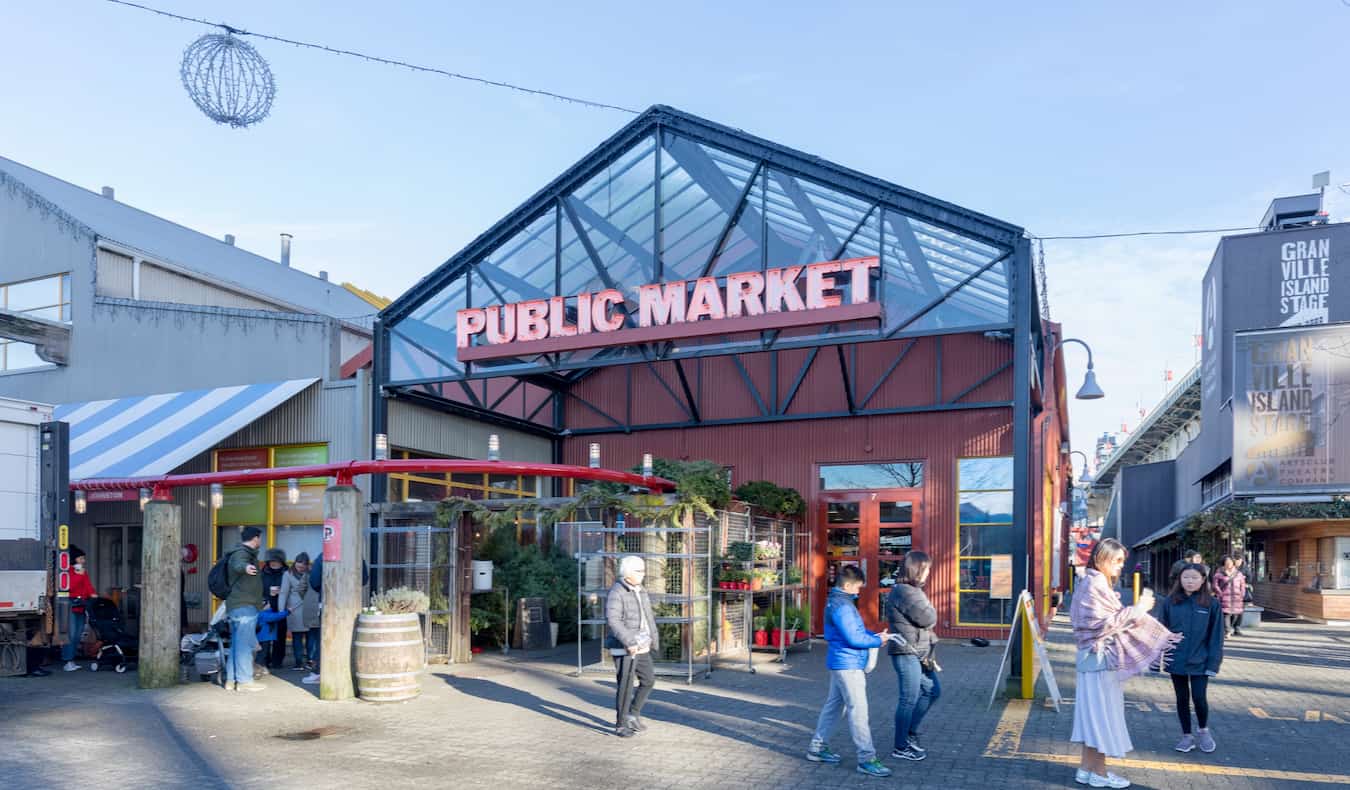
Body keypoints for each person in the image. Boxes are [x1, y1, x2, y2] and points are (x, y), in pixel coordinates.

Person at [1070, 538, 1181, 789]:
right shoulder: (1095, 584)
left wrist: (1136, 610)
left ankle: (1086, 769)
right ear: (1102, 559)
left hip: (1093, 659)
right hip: (1101, 661)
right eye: (1117, 561)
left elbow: (1099, 623)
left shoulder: (1089, 582)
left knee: (1093, 717)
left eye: (1122, 561)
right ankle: (1099, 773)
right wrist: (1139, 608)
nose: (1121, 566)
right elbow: (1104, 624)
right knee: (1102, 717)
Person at [807, 563, 892, 778]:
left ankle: (817, 748)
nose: (858, 591)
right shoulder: (843, 606)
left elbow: (854, 631)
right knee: (859, 711)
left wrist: (873, 637)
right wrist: (876, 640)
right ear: (846, 585)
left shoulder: (837, 602)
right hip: (849, 665)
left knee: (834, 707)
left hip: (840, 662)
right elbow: (854, 637)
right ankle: (866, 758)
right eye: (857, 588)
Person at [1157, 562, 1223, 754]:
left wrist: (1213, 663)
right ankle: (1186, 736)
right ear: (1179, 579)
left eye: (1194, 578)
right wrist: (1156, 659)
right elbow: (1159, 631)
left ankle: (1203, 730)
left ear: (1203, 580)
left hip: (1201, 661)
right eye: (1186, 577)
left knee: (1199, 697)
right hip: (1176, 659)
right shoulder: (1170, 602)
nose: (1190, 581)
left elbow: (1216, 637)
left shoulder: (1212, 604)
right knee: (1181, 698)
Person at [884, 551, 940, 763]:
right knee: (908, 698)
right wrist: (931, 610)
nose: (928, 573)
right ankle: (900, 746)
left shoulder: (912, 590)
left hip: (919, 651)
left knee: (932, 690)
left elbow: (927, 618)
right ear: (916, 569)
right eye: (926, 569)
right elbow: (928, 618)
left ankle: (909, 733)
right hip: (907, 650)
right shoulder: (905, 591)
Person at [605, 555, 658, 738]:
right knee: (626, 686)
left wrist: (653, 638)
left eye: (643, 570)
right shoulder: (617, 591)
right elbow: (613, 619)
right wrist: (629, 641)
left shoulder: (640, 590)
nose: (643, 574)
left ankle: (633, 714)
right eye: (639, 571)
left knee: (648, 680)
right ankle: (620, 724)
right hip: (626, 647)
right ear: (627, 573)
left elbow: (647, 616)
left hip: (642, 646)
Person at [224, 527, 266, 692]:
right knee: (244, 645)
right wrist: (246, 568)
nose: (260, 542)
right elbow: (238, 564)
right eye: (260, 539)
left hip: (237, 606)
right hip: (244, 606)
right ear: (255, 539)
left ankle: (230, 680)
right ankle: (244, 681)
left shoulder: (240, 552)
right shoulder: (242, 553)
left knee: (237, 644)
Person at [62, 546, 97, 672]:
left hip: (81, 604)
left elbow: (88, 586)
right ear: (74, 559)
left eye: (83, 558)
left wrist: (93, 594)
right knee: (70, 634)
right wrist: (79, 575)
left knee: (78, 634)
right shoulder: (66, 571)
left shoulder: (83, 571)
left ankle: (72, 660)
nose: (83, 561)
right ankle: (68, 660)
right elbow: (69, 587)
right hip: (70, 603)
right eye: (81, 558)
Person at [279, 552, 315, 670]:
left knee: (311, 636)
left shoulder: (311, 573)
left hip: (309, 608)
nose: (299, 569)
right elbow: (284, 592)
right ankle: (299, 662)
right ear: (294, 563)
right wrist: (281, 610)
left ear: (307, 566)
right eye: (298, 566)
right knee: (297, 637)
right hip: (294, 609)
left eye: (302, 567)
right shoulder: (288, 574)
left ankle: (310, 661)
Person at [260, 548, 288, 669]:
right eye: (271, 561)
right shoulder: (263, 573)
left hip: (282, 607)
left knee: (280, 636)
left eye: (276, 561)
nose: (274, 563)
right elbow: (258, 589)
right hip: (266, 608)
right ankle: (264, 660)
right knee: (265, 637)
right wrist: (266, 597)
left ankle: (277, 661)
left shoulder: (287, 573)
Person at [1212, 556, 1247, 637]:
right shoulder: (1219, 574)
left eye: (1230, 562)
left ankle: (1233, 628)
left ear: (1233, 563)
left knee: (1236, 614)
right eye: (1226, 562)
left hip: (1237, 598)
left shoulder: (1239, 574)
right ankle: (1227, 631)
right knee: (1226, 615)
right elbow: (1215, 585)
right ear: (1223, 564)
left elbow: (1242, 584)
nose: (1228, 564)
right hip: (1225, 598)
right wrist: (1220, 593)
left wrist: (1242, 594)